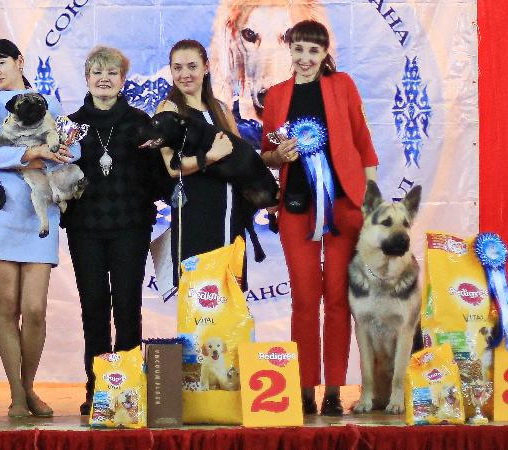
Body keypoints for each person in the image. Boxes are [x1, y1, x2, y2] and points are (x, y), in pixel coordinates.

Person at [260, 20, 379, 416]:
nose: (305, 58)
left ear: (325, 53)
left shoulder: (343, 85)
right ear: (289, 50)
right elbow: (266, 154)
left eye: (313, 51)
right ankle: (305, 386)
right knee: (305, 299)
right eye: (299, 49)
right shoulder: (276, 95)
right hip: (296, 208)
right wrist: (279, 156)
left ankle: (334, 388)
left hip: (344, 205)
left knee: (339, 300)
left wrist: (371, 201)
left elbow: (364, 144)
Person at [0, 38, 79, 418]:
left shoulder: (49, 103)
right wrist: (33, 153)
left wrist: (51, 155)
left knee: (34, 309)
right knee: (8, 307)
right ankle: (17, 395)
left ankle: (30, 385)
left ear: (19, 61)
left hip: (39, 215)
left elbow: (72, 150)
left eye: (0, 63)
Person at [65, 46, 169, 415]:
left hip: (131, 226)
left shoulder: (141, 122)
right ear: (87, 78)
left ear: (123, 79)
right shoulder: (70, 125)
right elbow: (59, 176)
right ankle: (97, 389)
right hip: (85, 228)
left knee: (127, 306)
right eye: (97, 72)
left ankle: (127, 387)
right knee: (93, 306)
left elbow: (159, 178)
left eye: (112, 73)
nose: (104, 79)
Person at [156, 39, 241, 286]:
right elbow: (172, 166)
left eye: (192, 66)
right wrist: (210, 156)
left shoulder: (221, 109)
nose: (185, 74)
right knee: (199, 295)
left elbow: (241, 159)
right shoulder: (168, 109)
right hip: (193, 214)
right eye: (177, 68)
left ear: (206, 67)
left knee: (230, 294)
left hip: (229, 213)